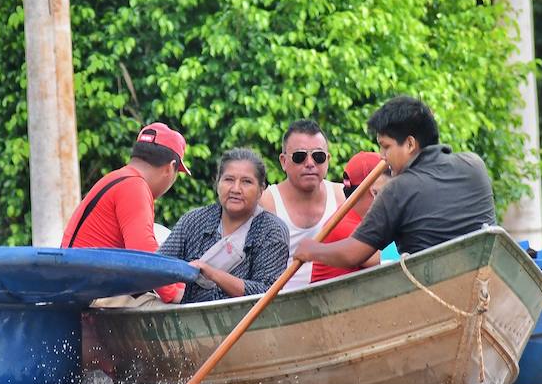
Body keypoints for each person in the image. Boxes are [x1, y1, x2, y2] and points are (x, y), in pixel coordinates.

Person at [295, 96, 496, 269]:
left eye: (386, 147)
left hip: (432, 290)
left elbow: (353, 254)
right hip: (485, 277)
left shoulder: (398, 189)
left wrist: (312, 249)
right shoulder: (474, 164)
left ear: (410, 144)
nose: (382, 156)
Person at [62, 122, 190, 381]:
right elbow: (144, 253)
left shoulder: (118, 178)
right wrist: (176, 293)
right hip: (92, 295)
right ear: (170, 168)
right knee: (181, 319)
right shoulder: (134, 187)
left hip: (82, 289)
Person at [159, 149, 290, 304]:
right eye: (229, 179)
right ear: (217, 183)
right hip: (192, 321)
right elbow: (160, 266)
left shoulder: (271, 231)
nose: (235, 189)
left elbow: (268, 292)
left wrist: (213, 274)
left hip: (251, 324)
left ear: (261, 189)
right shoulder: (195, 221)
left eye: (246, 182)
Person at [259, 119, 342, 292]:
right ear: (283, 161)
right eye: (300, 156)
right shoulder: (265, 202)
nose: (310, 163)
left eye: (318, 156)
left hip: (336, 300)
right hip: (281, 305)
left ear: (328, 160)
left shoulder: (343, 196)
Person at [310, 151, 383, 283]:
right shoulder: (342, 225)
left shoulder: (358, 217)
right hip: (331, 302)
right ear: (374, 190)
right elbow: (385, 260)